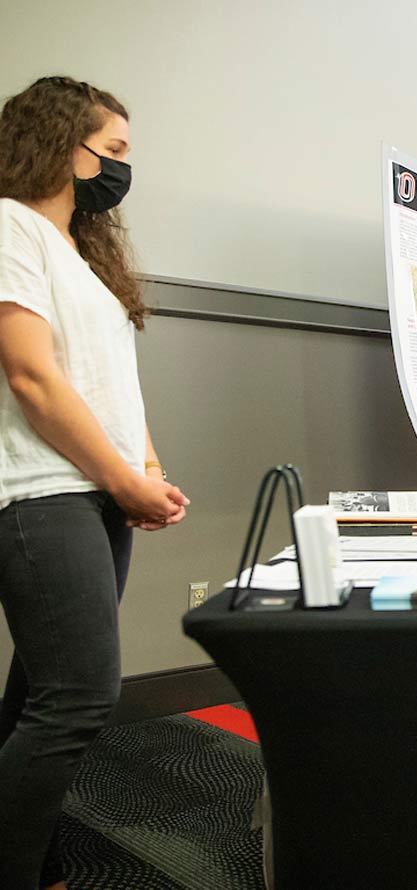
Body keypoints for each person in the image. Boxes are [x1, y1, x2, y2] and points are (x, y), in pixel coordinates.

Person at [0, 76, 190, 890]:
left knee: (37, 698)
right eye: (111, 150)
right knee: (77, 700)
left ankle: (32, 860)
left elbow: (114, 386)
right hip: (43, 493)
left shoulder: (84, 252)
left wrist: (144, 473)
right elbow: (33, 380)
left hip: (97, 493)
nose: (120, 168)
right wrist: (121, 478)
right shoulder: (10, 226)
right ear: (58, 141)